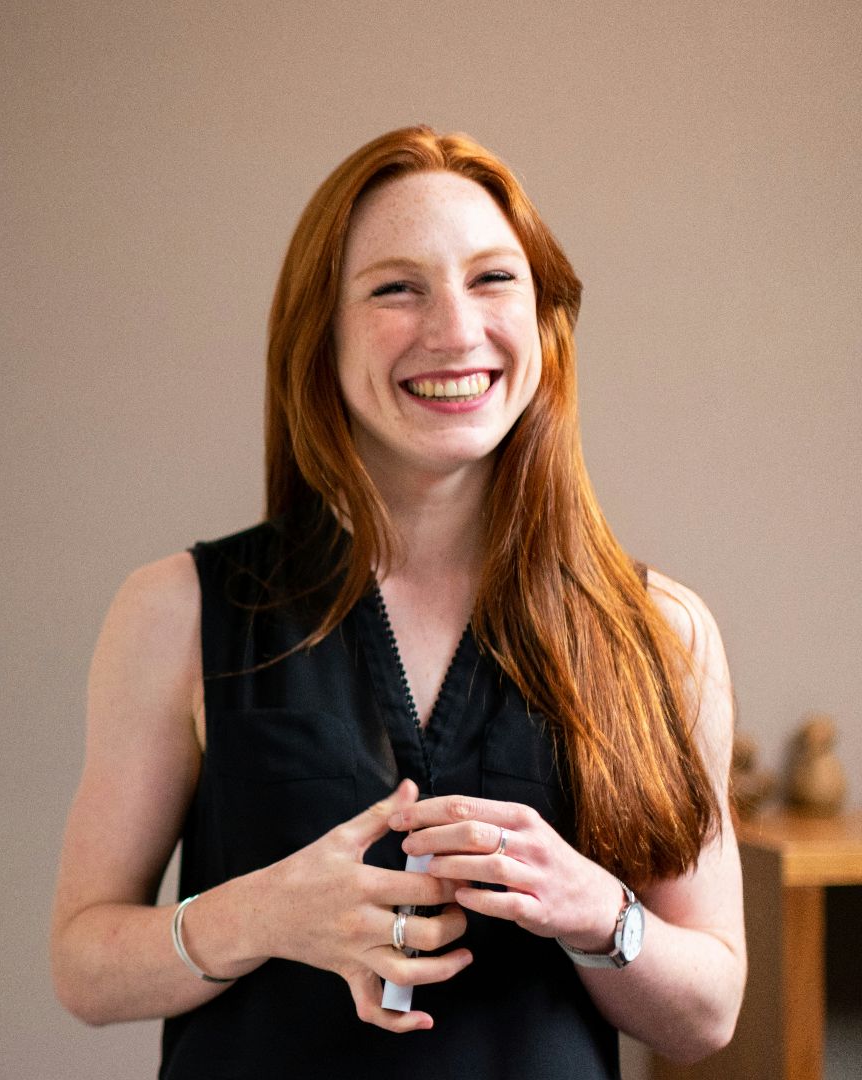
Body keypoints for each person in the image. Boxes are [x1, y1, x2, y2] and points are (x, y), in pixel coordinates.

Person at [50, 127, 744, 1078]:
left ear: (544, 320)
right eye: (396, 289)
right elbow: (84, 968)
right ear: (321, 337)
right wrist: (259, 916)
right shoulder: (177, 613)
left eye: (492, 280)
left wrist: (597, 913)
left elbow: (710, 1013)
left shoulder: (662, 633)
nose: (455, 330)